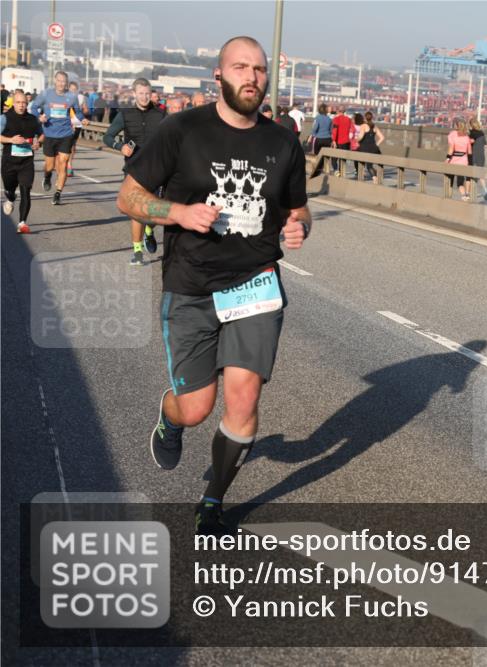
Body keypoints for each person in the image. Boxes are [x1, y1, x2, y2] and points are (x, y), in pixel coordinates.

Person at [116, 35, 312, 536]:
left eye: (260, 70)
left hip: (255, 283)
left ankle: (213, 500)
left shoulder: (283, 142)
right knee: (198, 407)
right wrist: (178, 212)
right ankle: (170, 415)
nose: (252, 77)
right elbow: (130, 198)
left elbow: (298, 206)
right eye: (241, 67)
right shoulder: (181, 130)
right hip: (191, 284)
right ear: (219, 76)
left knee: (245, 400)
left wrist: (300, 225)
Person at [103, 77, 167, 266]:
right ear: (134, 94)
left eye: (147, 93)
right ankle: (137, 251)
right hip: (133, 170)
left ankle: (149, 230)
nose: (145, 97)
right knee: (136, 211)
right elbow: (107, 137)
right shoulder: (125, 114)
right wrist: (120, 146)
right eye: (141, 93)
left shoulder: (160, 115)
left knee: (153, 214)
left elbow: (171, 138)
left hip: (156, 170)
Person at [30, 71, 87, 205]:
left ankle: (58, 193)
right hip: (49, 134)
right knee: (49, 166)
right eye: (59, 80)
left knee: (63, 164)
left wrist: (83, 119)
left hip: (66, 134)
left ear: (67, 83)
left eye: (64, 81)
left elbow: (77, 112)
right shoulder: (46, 94)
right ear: (54, 80)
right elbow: (34, 107)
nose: (61, 84)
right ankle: (47, 176)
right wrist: (39, 117)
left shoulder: (72, 97)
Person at [1, 90, 43, 234]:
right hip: (9, 162)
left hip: (26, 162)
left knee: (26, 190)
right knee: (10, 188)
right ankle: (11, 197)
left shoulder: (32, 119)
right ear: (13, 103)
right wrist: (11, 140)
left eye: (24, 103)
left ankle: (22, 223)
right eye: (18, 102)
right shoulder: (5, 118)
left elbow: (41, 134)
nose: (21, 105)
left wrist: (38, 142)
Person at [446, 118, 473, 201]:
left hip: (453, 160)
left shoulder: (452, 135)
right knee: (460, 181)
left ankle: (448, 197)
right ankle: (464, 195)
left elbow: (451, 149)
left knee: (449, 180)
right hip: (464, 161)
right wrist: (470, 163)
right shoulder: (466, 137)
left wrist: (447, 159)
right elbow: (469, 152)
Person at [66, 81, 89, 177]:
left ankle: (69, 165)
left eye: (75, 90)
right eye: (71, 90)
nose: (73, 92)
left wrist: (84, 115)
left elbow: (85, 110)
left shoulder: (80, 98)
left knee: (72, 145)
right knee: (64, 144)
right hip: (66, 123)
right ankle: (63, 163)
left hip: (77, 123)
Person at [356, 111, 384, 180]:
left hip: (364, 148)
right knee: (369, 165)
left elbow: (361, 137)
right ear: (372, 118)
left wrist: (355, 140)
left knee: (359, 162)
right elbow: (382, 137)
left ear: (365, 118)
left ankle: (370, 177)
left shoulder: (363, 126)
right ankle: (374, 177)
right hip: (373, 148)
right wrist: (376, 145)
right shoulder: (375, 126)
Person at [468, 117, 487, 200]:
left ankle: (468, 193)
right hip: (481, 155)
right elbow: (486, 145)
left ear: (471, 125)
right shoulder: (482, 133)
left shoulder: (471, 133)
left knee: (469, 174)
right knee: (480, 174)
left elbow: (469, 142)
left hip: (473, 155)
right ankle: (485, 190)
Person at [332, 107, 354, 176]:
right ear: (344, 111)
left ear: (338, 111)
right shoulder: (349, 119)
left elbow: (335, 130)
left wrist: (334, 140)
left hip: (338, 141)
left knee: (334, 158)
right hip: (346, 142)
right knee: (343, 159)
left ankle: (336, 170)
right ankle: (342, 171)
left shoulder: (336, 119)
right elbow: (352, 130)